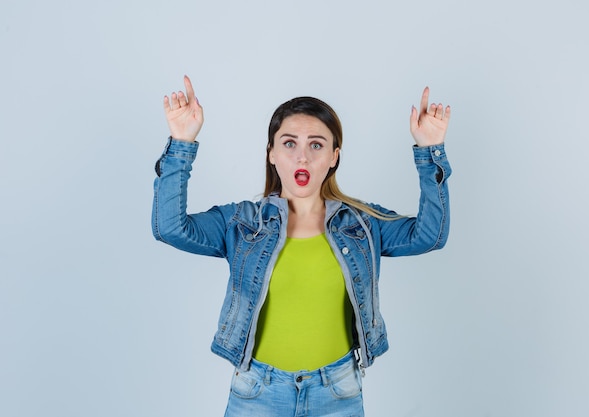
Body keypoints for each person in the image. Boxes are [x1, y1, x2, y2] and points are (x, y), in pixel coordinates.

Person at [152, 75, 452, 417]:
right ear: (272, 154)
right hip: (257, 393)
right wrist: (181, 144)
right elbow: (170, 228)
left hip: (337, 393)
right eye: (289, 143)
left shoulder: (361, 224)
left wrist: (430, 153)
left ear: (334, 156)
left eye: (317, 145)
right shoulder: (242, 223)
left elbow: (430, 235)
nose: (303, 158)